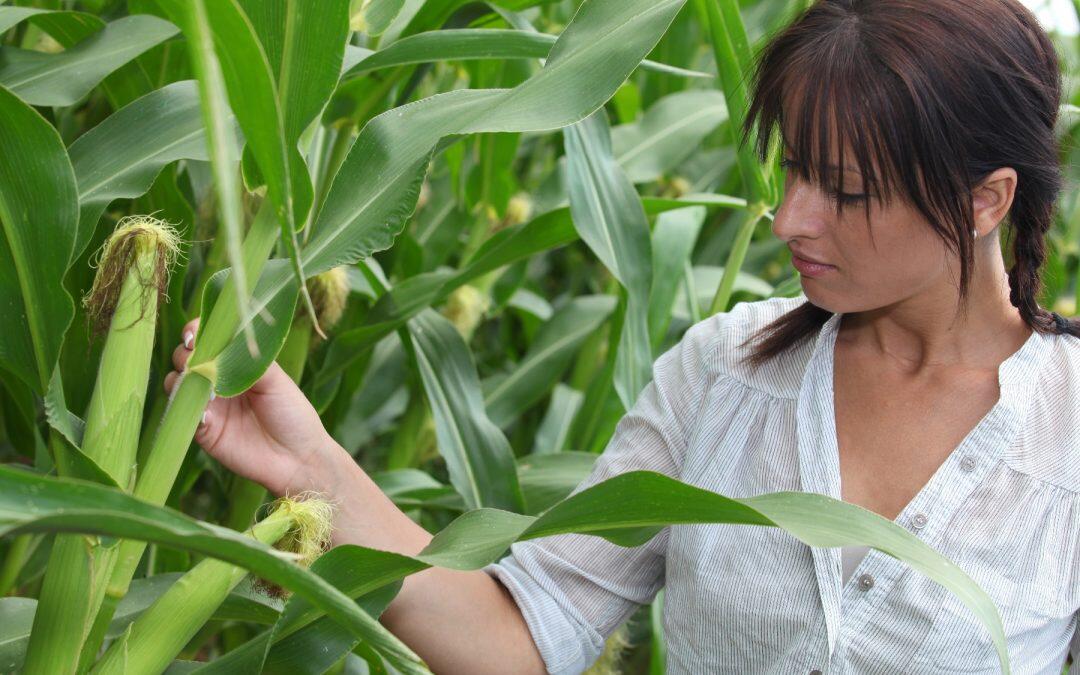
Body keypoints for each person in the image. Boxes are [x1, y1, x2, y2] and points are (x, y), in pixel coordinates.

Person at [164, 0, 1080, 672]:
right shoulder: (724, 371)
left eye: (843, 188)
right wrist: (313, 465)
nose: (789, 216)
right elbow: (526, 632)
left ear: (983, 198)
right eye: (793, 168)